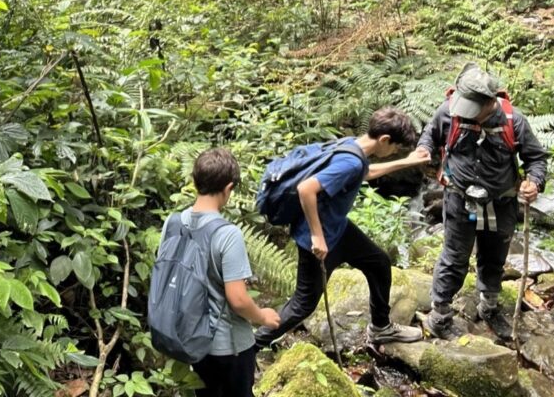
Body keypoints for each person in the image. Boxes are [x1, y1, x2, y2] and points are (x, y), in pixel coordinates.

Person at [255, 108, 429, 349]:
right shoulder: (350, 162)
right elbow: (306, 189)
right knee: (303, 305)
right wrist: (317, 236)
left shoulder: (352, 145)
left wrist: (406, 161)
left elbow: (365, 173)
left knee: (378, 263)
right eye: (394, 148)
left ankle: (381, 328)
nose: (393, 153)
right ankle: (250, 346)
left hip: (338, 230)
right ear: (384, 140)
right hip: (318, 239)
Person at [413, 63, 547, 341]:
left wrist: (534, 182)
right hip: (459, 200)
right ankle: (440, 315)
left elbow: (536, 158)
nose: (466, 115)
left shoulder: (514, 121)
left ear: (490, 102)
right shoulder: (449, 112)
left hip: (502, 203)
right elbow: (429, 134)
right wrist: (424, 149)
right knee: (454, 257)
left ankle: (489, 307)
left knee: (494, 256)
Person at [159, 148, 280, 397]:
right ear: (228, 188)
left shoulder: (172, 223)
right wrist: (263, 317)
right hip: (227, 346)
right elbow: (238, 300)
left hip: (189, 339)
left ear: (194, 182)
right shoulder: (227, 234)